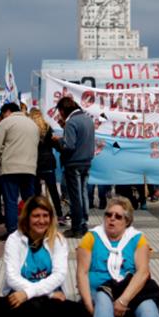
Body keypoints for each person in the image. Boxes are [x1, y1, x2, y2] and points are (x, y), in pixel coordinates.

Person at [0, 196, 84, 317]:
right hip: (19, 298)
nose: (41, 221)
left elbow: (59, 275)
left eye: (45, 216)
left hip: (48, 301)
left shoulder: (58, 240)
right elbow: (12, 277)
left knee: (78, 309)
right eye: (36, 216)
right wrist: (29, 294)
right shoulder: (14, 239)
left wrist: (32, 293)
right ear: (27, 217)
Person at [0, 102, 39, 241]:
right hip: (29, 167)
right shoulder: (33, 124)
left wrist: (4, 152)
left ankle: (12, 231)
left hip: (10, 167)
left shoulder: (6, 123)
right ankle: (33, 228)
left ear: (7, 111)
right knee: (29, 200)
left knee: (11, 200)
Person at [56, 96, 95, 238]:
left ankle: (77, 227)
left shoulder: (72, 122)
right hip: (86, 161)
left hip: (74, 163)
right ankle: (84, 224)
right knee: (83, 194)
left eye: (60, 112)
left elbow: (69, 146)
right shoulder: (87, 119)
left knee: (75, 196)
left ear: (62, 110)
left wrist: (58, 141)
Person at [29, 109, 65, 224]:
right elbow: (55, 145)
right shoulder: (47, 127)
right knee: (53, 190)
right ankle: (59, 215)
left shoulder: (30, 128)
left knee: (36, 191)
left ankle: (37, 214)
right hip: (48, 162)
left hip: (34, 162)